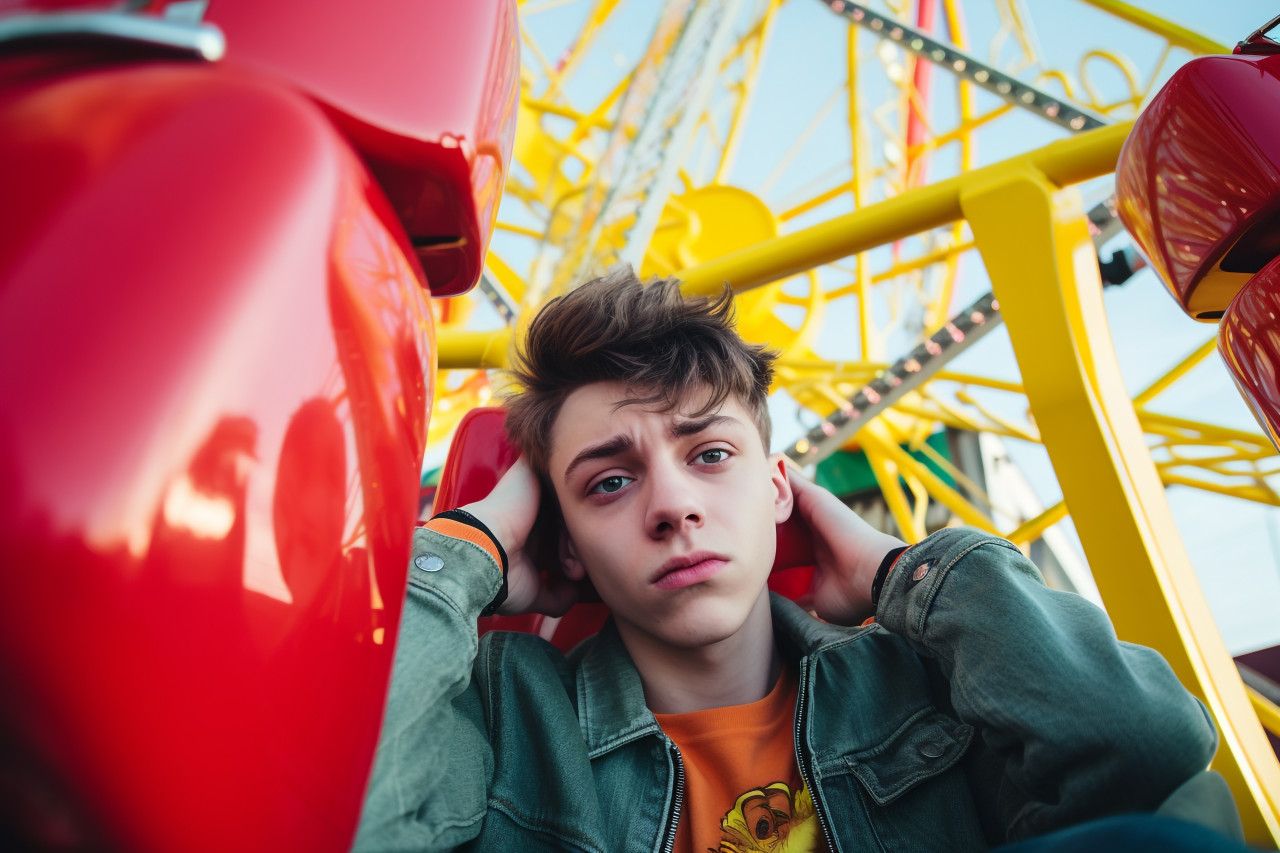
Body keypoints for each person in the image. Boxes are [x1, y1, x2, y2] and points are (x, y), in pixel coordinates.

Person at [353, 268, 1244, 853]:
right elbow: (351, 813)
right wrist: (471, 546)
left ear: (781, 490)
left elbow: (1138, 749)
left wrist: (906, 576)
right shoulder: (510, 713)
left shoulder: (919, 682)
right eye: (610, 482)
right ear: (564, 544)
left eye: (709, 454)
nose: (673, 505)